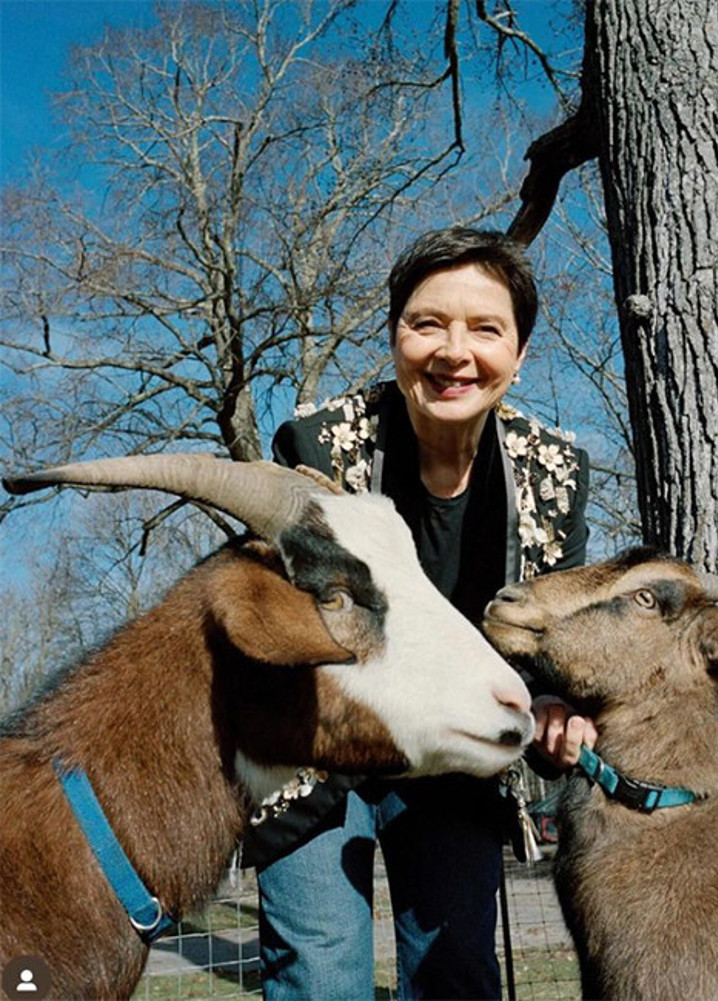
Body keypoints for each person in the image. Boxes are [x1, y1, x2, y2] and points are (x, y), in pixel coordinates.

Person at [249, 227, 596, 1000]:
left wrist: (552, 706)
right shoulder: (316, 445)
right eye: (427, 323)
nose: (453, 352)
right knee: (319, 975)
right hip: (322, 748)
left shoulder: (555, 474)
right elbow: (281, 626)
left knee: (460, 975)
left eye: (485, 329)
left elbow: (549, 649)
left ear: (521, 352)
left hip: (454, 752)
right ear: (396, 336)